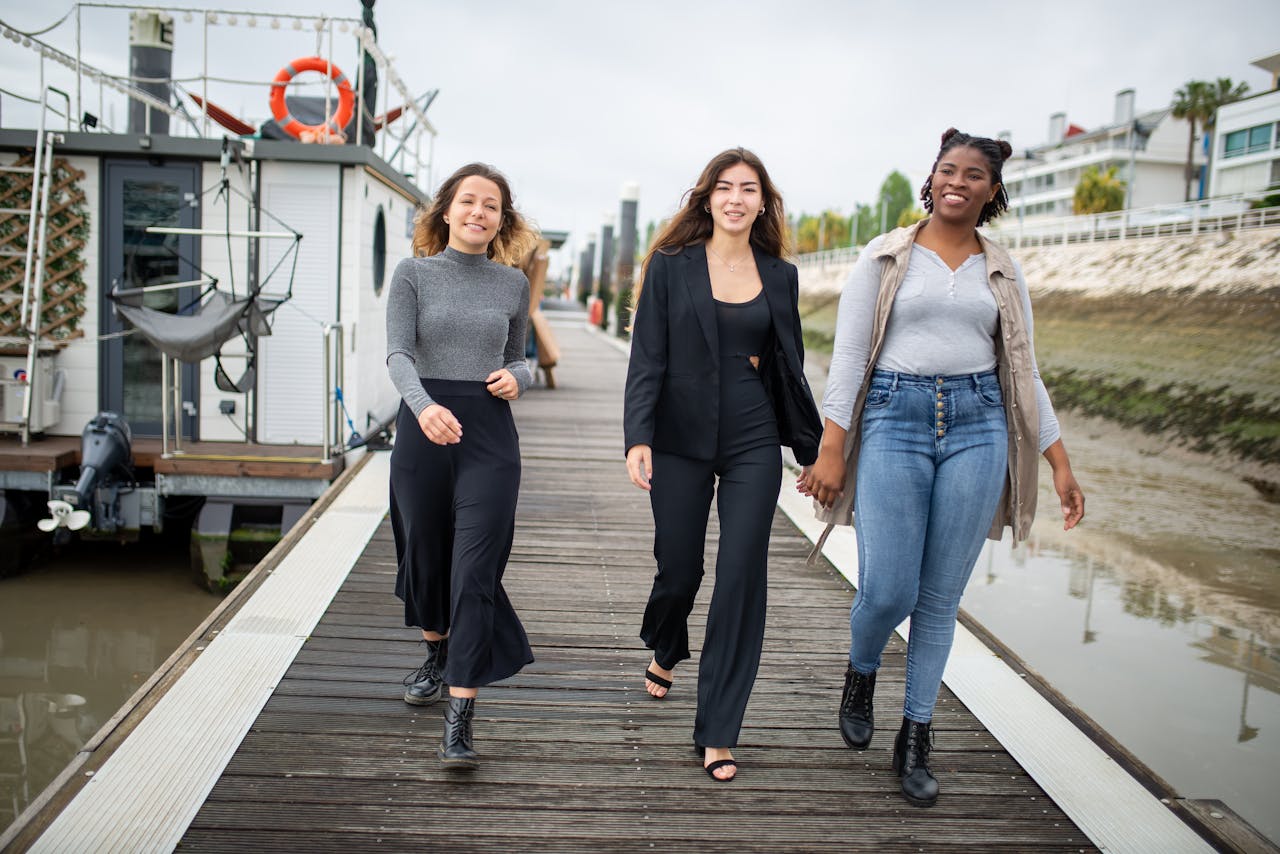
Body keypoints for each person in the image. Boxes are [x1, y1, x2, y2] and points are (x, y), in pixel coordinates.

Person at [801, 128, 1085, 807]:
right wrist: (832, 447)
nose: (959, 181)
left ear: (993, 189)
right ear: (931, 180)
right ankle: (862, 668)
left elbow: (1024, 370)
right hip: (894, 418)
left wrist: (1060, 463)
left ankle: (917, 734)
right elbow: (846, 358)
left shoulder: (1003, 268)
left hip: (979, 424)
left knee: (938, 599)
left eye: (975, 174)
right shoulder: (886, 255)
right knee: (888, 590)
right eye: (948, 169)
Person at [623, 147, 821, 782]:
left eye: (749, 189)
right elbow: (647, 355)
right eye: (725, 187)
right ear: (707, 197)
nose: (736, 198)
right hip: (678, 435)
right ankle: (667, 643)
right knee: (679, 568)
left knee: (741, 572)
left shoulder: (781, 276)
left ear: (763, 202)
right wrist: (638, 435)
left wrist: (822, 450)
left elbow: (789, 366)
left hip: (751, 436)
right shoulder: (669, 265)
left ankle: (718, 728)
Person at [385, 162, 538, 770]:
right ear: (446, 210)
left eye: (491, 205)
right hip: (424, 431)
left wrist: (518, 377)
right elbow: (398, 354)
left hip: (489, 438)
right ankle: (437, 649)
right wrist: (423, 408)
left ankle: (460, 714)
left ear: (502, 220)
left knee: (474, 572)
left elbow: (517, 356)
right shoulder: (413, 274)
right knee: (425, 555)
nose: (479, 212)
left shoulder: (512, 284)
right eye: (468, 201)